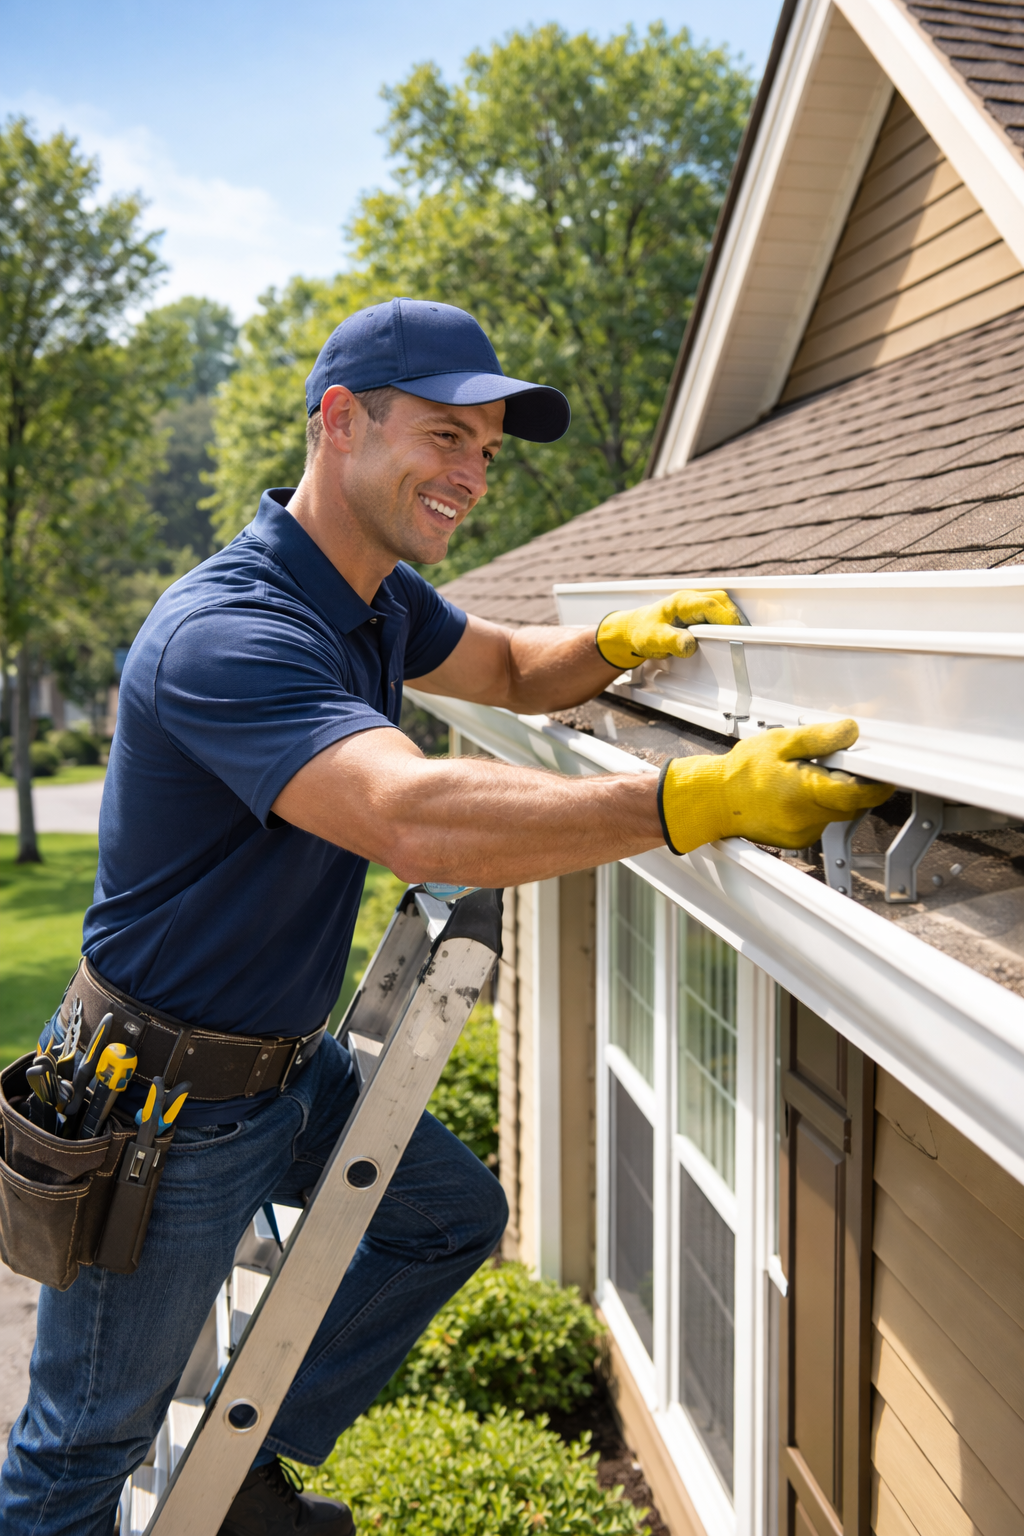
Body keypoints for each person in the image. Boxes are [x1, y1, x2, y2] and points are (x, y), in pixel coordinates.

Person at [0, 299, 888, 1535]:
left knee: (448, 1217)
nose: (471, 472)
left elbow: (517, 669)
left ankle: (248, 1469)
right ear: (339, 422)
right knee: (78, 1455)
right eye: (444, 435)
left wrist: (620, 645)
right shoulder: (230, 632)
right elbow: (409, 816)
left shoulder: (377, 598)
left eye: (486, 447)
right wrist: (689, 799)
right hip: (165, 1109)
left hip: (282, 1069)